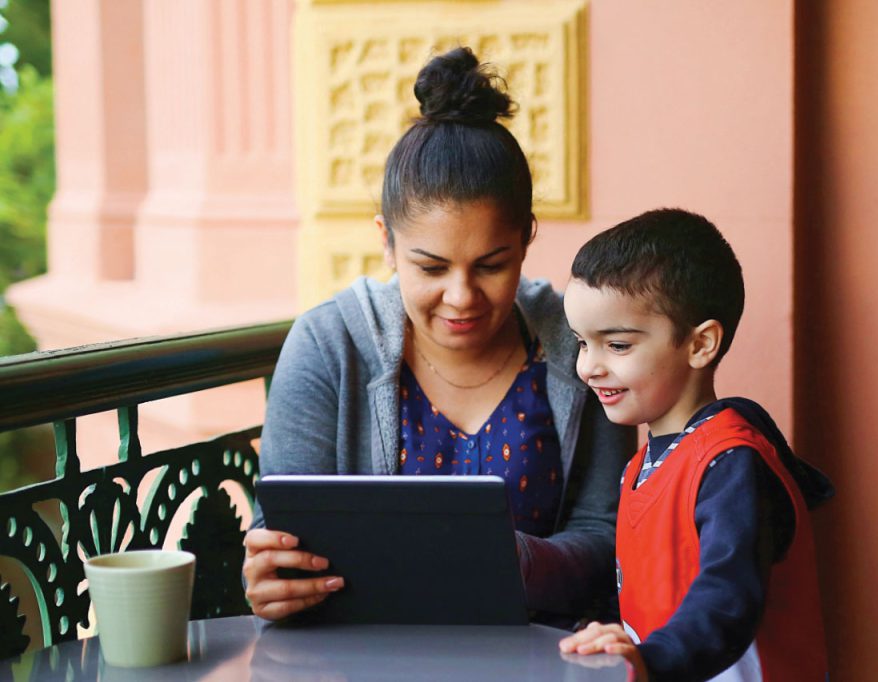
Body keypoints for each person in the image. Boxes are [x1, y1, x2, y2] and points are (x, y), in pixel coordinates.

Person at [242, 47, 636, 625]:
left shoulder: (578, 343)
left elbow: (605, 535)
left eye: (492, 264)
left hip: (546, 653)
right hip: (366, 657)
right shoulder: (330, 346)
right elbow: (281, 536)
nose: (462, 297)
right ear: (386, 241)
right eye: (429, 268)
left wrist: (518, 561)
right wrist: (273, 579)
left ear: (527, 238)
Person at [557, 209, 834, 681]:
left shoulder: (731, 463)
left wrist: (653, 660)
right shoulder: (643, 464)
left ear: (701, 344)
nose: (589, 367)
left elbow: (727, 597)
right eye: (582, 343)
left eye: (617, 345)